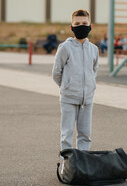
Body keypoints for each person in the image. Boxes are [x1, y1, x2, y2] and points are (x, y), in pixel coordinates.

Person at [52, 9, 99, 164]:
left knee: (85, 134)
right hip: (69, 98)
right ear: (71, 27)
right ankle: (67, 166)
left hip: (87, 100)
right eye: (77, 24)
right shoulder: (65, 47)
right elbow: (56, 72)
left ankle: (83, 166)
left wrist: (89, 88)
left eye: (84, 23)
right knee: (67, 134)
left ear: (90, 26)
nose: (81, 26)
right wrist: (67, 87)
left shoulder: (94, 49)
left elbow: (94, 71)